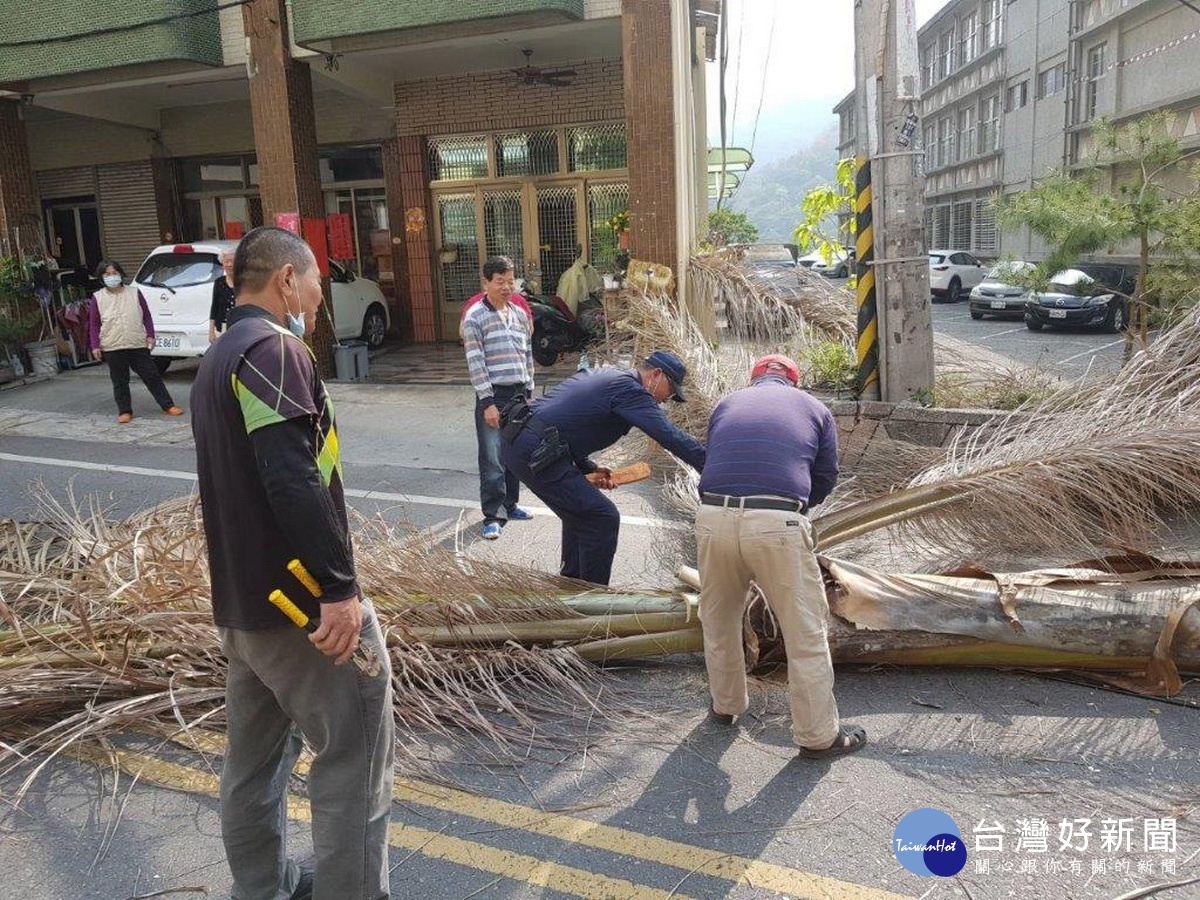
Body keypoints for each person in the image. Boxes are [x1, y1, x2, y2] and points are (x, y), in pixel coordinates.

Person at [190, 227, 394, 900]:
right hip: (303, 613)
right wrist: (339, 589)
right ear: (284, 280)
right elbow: (291, 477)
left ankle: (263, 889)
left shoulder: (219, 357)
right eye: (312, 283)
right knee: (352, 767)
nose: (317, 297)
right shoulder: (276, 350)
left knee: (252, 770)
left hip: (245, 615)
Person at [696, 354, 866, 759]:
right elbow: (825, 476)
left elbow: (716, 457)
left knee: (718, 619)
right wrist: (797, 511)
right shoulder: (815, 408)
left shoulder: (727, 403)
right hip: (776, 522)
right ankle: (817, 735)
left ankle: (726, 705)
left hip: (711, 515)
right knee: (804, 632)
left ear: (754, 380)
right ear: (794, 381)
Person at [500, 350, 705, 586]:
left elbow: (562, 423)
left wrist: (588, 468)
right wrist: (712, 462)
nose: (665, 400)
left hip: (522, 442)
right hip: (533, 450)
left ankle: (572, 587)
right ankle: (593, 597)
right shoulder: (632, 391)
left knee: (580, 514)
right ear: (656, 375)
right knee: (601, 517)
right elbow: (668, 435)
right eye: (669, 392)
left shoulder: (608, 376)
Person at [461, 256, 535, 540]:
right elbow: (475, 361)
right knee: (492, 457)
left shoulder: (518, 313)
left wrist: (529, 389)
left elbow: (526, 355)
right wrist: (487, 401)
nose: (507, 287)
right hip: (493, 396)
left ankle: (511, 504)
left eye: (510, 281)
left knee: (513, 454)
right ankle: (493, 515)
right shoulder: (475, 316)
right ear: (486, 283)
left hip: (519, 394)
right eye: (500, 281)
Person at [87, 259, 183, 424]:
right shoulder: (98, 297)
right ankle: (124, 411)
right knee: (119, 381)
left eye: (115, 273)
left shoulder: (134, 292)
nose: (112, 277)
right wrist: (95, 344)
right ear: (101, 277)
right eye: (107, 274)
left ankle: (168, 405)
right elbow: (94, 323)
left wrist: (150, 334)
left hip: (136, 342)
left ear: (120, 274)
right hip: (112, 344)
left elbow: (146, 315)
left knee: (151, 375)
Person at [208, 248, 237, 343]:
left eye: (232, 261)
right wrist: (211, 331)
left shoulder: (243, 282)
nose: (229, 264)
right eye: (226, 261)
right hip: (223, 327)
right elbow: (214, 307)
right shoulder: (219, 282)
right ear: (222, 263)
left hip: (240, 326)